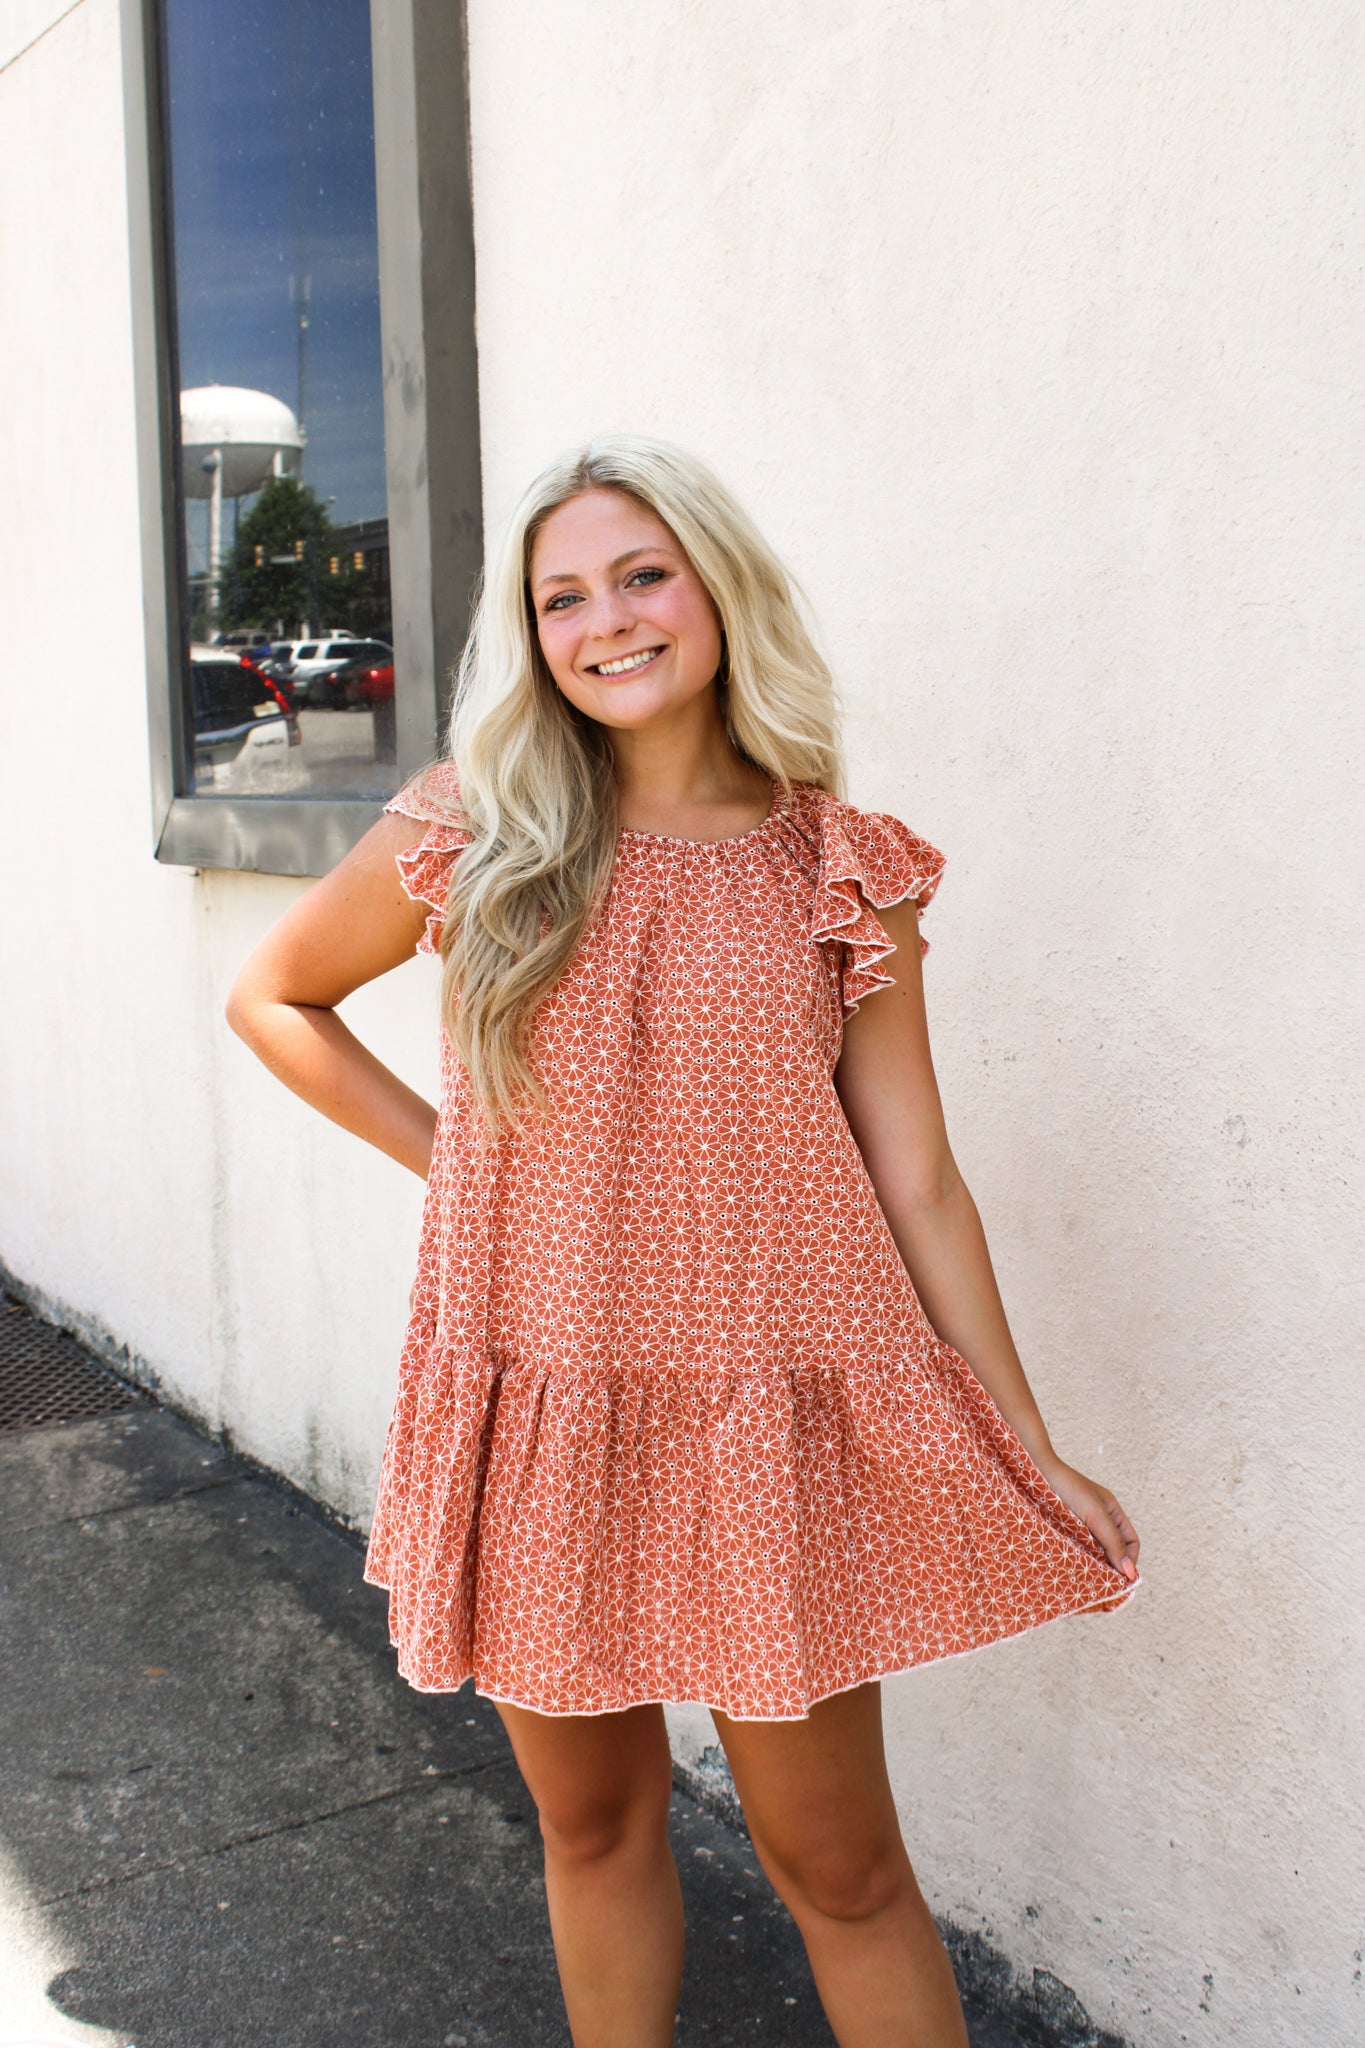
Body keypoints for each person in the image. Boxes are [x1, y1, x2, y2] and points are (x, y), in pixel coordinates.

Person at [227, 436, 1140, 2048]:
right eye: (561, 595)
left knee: (841, 1865)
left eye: (642, 574)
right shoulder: (472, 831)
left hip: (764, 1421)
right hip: (545, 1405)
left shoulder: (834, 862)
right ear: (532, 636)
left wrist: (1025, 1434)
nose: (608, 621)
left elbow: (917, 1175)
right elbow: (275, 996)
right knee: (591, 1827)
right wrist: (459, 1169)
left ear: (716, 588)